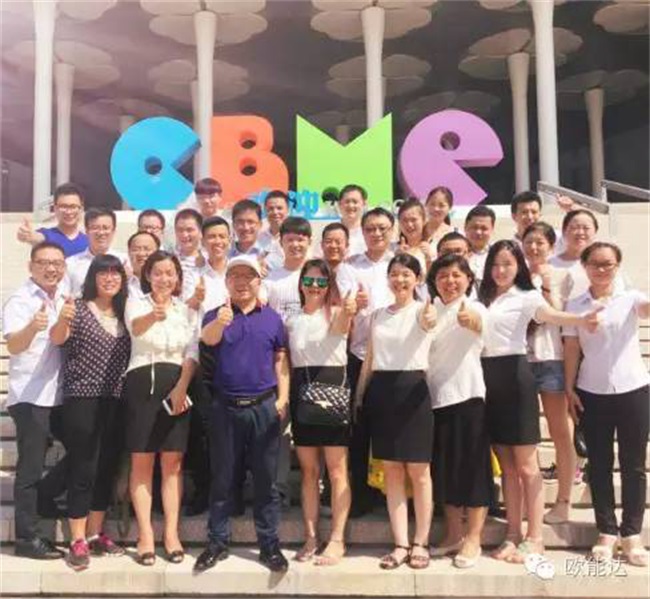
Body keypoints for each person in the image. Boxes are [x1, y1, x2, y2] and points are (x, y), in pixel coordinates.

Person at [478, 240, 602, 563]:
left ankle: (535, 538)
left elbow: (550, 315)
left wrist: (581, 320)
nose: (500, 270)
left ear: (518, 266)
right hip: (488, 379)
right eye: (495, 264)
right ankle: (512, 533)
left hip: (516, 376)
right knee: (506, 466)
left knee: (527, 465)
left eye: (507, 263)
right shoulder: (484, 297)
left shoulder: (527, 296)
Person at [197, 255, 290, 573]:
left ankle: (269, 544)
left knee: (266, 481)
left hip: (264, 406)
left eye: (247, 276)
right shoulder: (215, 315)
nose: (241, 281)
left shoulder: (272, 318)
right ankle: (217, 542)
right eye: (234, 275)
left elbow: (280, 361)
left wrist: (282, 399)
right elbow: (207, 340)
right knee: (222, 478)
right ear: (226, 282)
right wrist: (220, 323)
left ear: (258, 281)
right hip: (225, 407)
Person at [564, 242, 650, 567]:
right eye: (596, 264)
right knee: (599, 465)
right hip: (591, 390)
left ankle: (632, 533)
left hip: (633, 389)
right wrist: (569, 387)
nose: (602, 269)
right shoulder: (575, 305)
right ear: (585, 266)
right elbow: (571, 347)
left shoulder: (630, 298)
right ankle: (606, 531)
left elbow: (647, 308)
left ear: (617, 266)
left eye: (608, 264)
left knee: (633, 465)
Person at [50, 255, 131, 570]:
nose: (110, 278)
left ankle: (96, 533)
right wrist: (62, 319)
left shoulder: (125, 312)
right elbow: (58, 339)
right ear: (93, 278)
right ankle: (77, 539)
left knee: (107, 467)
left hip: (116, 400)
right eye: (103, 273)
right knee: (83, 467)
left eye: (115, 273)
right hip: (82, 398)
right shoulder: (79, 309)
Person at [355, 254, 436, 570]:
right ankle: (401, 543)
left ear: (417, 279)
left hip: (413, 390)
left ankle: (421, 542)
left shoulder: (422, 310)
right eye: (395, 274)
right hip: (381, 391)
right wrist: (360, 396)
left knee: (419, 472)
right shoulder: (377, 315)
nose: (400, 280)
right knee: (392, 471)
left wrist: (429, 314)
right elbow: (370, 359)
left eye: (406, 274)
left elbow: (429, 322)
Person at [123, 251, 199, 566]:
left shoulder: (187, 309)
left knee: (173, 463)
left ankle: (171, 533)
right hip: (143, 383)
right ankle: (144, 535)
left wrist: (182, 386)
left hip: (176, 384)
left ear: (178, 277)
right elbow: (135, 329)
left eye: (170, 273)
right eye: (158, 273)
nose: (164, 279)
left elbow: (192, 351)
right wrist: (153, 316)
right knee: (142, 461)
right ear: (148, 275)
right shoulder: (136, 302)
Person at [425, 254, 492, 569]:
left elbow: (482, 328)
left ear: (468, 279)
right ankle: (453, 534)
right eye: (442, 276)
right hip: (436, 400)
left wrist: (471, 322)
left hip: (468, 398)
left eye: (456, 275)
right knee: (445, 471)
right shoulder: (431, 310)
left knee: (474, 471)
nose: (449, 281)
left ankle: (473, 538)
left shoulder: (475, 307)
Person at [2, 242, 69, 560]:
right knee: (30, 468)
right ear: (31, 266)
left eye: (57, 262)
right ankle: (27, 539)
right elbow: (13, 346)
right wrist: (32, 327)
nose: (51, 268)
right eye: (44, 262)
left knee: (86, 449)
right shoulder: (20, 300)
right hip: (30, 396)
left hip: (58, 394)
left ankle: (46, 495)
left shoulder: (64, 296)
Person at [287, 259, 356, 565]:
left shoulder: (338, 313)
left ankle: (338, 539)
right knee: (309, 472)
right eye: (309, 281)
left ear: (329, 286)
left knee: (337, 470)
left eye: (321, 282)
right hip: (302, 394)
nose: (314, 287)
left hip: (332, 393)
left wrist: (350, 308)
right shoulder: (291, 319)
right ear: (300, 284)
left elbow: (343, 324)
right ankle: (311, 536)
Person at [336, 207, 396, 517]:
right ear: (362, 231)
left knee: (390, 428)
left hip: (395, 360)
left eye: (382, 228)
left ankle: (392, 495)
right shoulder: (350, 267)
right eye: (371, 228)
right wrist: (355, 305)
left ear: (392, 230)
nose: (377, 233)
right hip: (359, 356)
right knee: (358, 430)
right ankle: (361, 494)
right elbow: (345, 306)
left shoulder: (401, 263)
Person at [521, 222, 577, 524]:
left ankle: (564, 500)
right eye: (529, 241)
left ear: (551, 245)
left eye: (540, 242)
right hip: (522, 360)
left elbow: (560, 318)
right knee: (524, 436)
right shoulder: (515, 274)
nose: (534, 247)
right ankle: (527, 500)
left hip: (552, 359)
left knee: (560, 432)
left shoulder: (563, 276)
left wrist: (544, 284)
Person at [263, 217, 312, 508]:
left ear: (309, 242)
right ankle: (278, 488)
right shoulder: (271, 280)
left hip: (311, 363)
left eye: (301, 239)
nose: (295, 244)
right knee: (278, 427)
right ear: (281, 243)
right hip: (278, 363)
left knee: (313, 426)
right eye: (290, 239)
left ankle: (315, 488)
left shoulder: (318, 275)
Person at [184, 216, 232, 517]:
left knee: (230, 428)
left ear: (229, 239)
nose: (217, 242)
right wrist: (194, 299)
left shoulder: (241, 271)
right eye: (211, 236)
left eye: (222, 236)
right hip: (202, 358)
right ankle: (204, 489)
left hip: (235, 358)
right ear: (203, 241)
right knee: (202, 428)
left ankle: (230, 490)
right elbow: (184, 315)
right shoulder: (193, 276)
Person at [65, 208, 127, 297]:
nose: (101, 233)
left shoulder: (124, 260)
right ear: (86, 231)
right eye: (95, 228)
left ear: (113, 231)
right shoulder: (70, 263)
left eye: (105, 228)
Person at [17, 183, 88, 257]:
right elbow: (36, 238)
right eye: (63, 206)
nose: (68, 212)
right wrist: (26, 235)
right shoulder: (47, 235)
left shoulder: (89, 239)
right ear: (55, 208)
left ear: (81, 209)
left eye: (73, 206)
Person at [173, 209, 205, 306]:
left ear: (200, 232)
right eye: (180, 230)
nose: (184, 235)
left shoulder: (209, 260)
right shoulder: (169, 260)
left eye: (189, 230)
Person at [397, 198, 434, 273]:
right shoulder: (392, 249)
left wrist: (429, 259)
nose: (409, 225)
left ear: (424, 220)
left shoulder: (434, 247)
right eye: (405, 220)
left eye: (413, 220)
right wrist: (396, 258)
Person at [464, 205, 495, 289]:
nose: (478, 232)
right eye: (474, 227)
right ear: (465, 227)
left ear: (492, 229)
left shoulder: (497, 253)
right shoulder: (456, 252)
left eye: (484, 228)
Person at [258, 190, 290, 271]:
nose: (275, 212)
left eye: (279, 208)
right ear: (265, 211)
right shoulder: (258, 238)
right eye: (271, 209)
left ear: (288, 210)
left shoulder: (295, 237)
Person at [320, 222, 350, 305]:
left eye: (338, 242)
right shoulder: (313, 271)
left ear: (347, 245)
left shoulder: (354, 272)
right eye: (328, 241)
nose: (333, 246)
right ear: (321, 245)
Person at [127, 231, 160, 300]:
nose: (141, 254)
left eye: (147, 249)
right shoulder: (122, 284)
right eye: (135, 249)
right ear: (129, 253)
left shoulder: (166, 283)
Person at [336, 184, 367, 256]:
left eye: (355, 202)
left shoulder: (370, 231)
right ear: (339, 204)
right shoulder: (331, 230)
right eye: (347, 202)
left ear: (364, 204)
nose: (351, 205)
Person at [423, 186, 454, 252]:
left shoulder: (454, 233)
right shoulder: (416, 231)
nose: (436, 209)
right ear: (426, 204)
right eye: (432, 204)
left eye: (441, 205)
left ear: (450, 207)